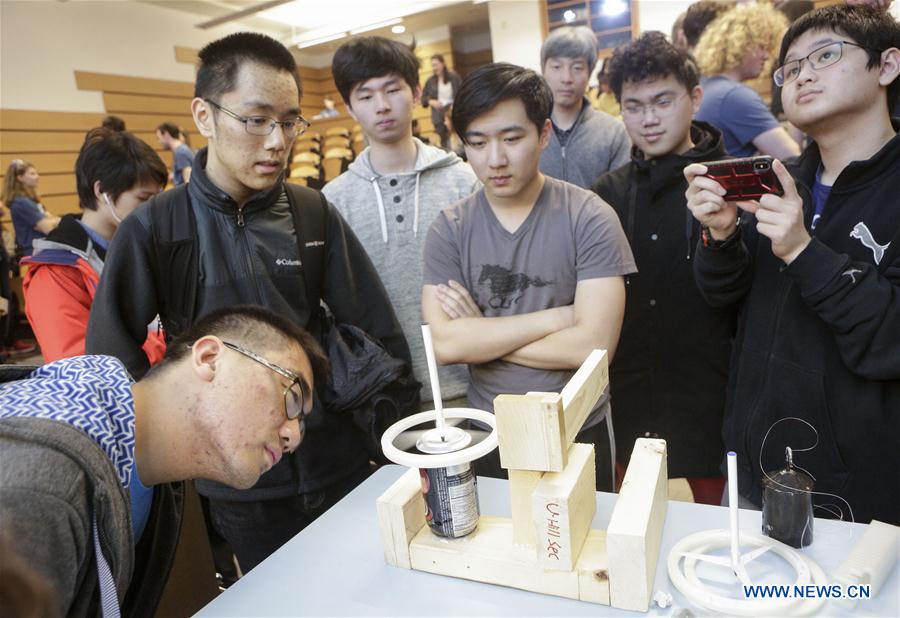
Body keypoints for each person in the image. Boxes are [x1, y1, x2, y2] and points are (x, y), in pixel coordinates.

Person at [85, 31, 413, 572]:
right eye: (257, 120)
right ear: (205, 116)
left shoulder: (311, 213)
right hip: (241, 488)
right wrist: (185, 442)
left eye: (289, 122)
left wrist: (398, 440)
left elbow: (377, 331)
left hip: (339, 462)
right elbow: (110, 361)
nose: (277, 141)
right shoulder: (157, 228)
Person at [684, 4, 900, 524]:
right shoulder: (784, 180)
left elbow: (890, 340)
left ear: (887, 65)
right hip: (752, 466)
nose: (802, 75)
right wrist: (721, 236)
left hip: (857, 494)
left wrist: (804, 250)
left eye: (825, 56)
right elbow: (724, 297)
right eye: (790, 68)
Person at [1, 305, 327, 616]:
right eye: (292, 396)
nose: (293, 437)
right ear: (209, 358)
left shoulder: (157, 478)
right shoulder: (46, 484)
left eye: (301, 423)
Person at [423, 63, 636, 490]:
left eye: (512, 138)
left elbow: (593, 347)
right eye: (477, 143)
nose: (495, 159)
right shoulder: (449, 229)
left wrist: (482, 337)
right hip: (489, 428)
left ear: (543, 134)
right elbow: (445, 344)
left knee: (589, 534)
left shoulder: (590, 217)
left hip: (577, 426)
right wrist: (558, 318)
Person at [592, 32, 736, 505]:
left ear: (694, 97)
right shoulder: (607, 193)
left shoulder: (731, 183)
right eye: (633, 106)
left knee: (711, 533)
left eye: (662, 101)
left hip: (711, 404)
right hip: (629, 401)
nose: (648, 119)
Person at [326, 36, 478, 408]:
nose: (381, 105)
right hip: (381, 399)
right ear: (349, 107)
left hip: (471, 388)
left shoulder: (464, 181)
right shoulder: (332, 201)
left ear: (415, 93)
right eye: (365, 96)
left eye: (392, 90)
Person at [21, 128, 167, 363]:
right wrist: (165, 344)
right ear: (102, 191)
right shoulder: (56, 272)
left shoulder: (142, 248)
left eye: (158, 199)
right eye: (143, 199)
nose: (154, 210)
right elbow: (78, 365)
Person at [694, 3, 801, 159]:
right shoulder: (734, 96)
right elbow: (792, 158)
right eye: (762, 46)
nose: (767, 56)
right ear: (739, 44)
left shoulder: (706, 86)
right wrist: (798, 115)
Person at [538, 26, 631, 189]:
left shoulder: (614, 134)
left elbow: (623, 195)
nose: (566, 78)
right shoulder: (529, 132)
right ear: (543, 70)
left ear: (590, 72)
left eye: (577, 68)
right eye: (557, 67)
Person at [2, 159, 60, 257]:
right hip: (33, 252)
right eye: (32, 174)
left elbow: (48, 220)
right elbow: (48, 228)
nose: (38, 176)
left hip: (39, 249)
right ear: (20, 177)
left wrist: (51, 221)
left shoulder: (31, 200)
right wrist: (55, 221)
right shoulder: (21, 202)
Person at [422, 53, 462, 149]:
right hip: (438, 115)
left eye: (436, 64)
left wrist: (455, 104)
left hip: (453, 112)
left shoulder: (454, 77)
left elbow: (462, 92)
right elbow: (423, 99)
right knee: (443, 141)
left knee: (457, 137)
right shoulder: (430, 81)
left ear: (443, 63)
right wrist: (431, 101)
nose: (434, 68)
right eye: (432, 65)